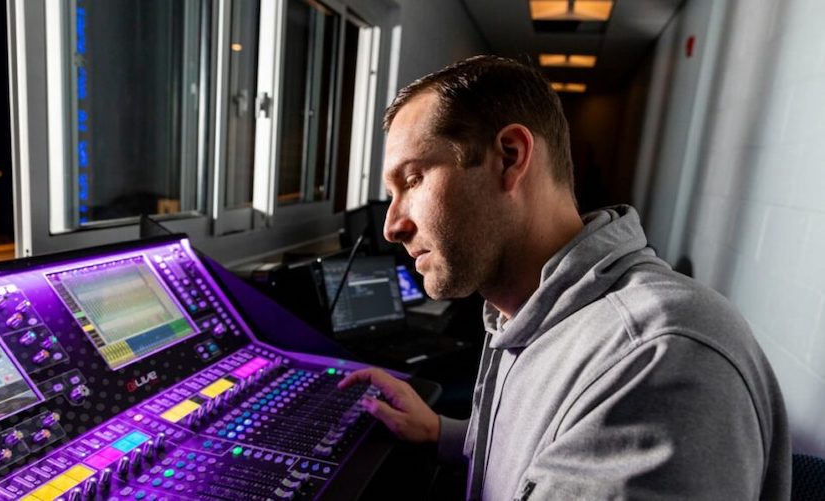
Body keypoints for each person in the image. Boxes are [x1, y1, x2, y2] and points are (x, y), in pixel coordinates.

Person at [338, 55, 791, 500]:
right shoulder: (527, 311)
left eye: (413, 180)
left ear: (510, 157)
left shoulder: (657, 356)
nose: (391, 225)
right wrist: (444, 433)